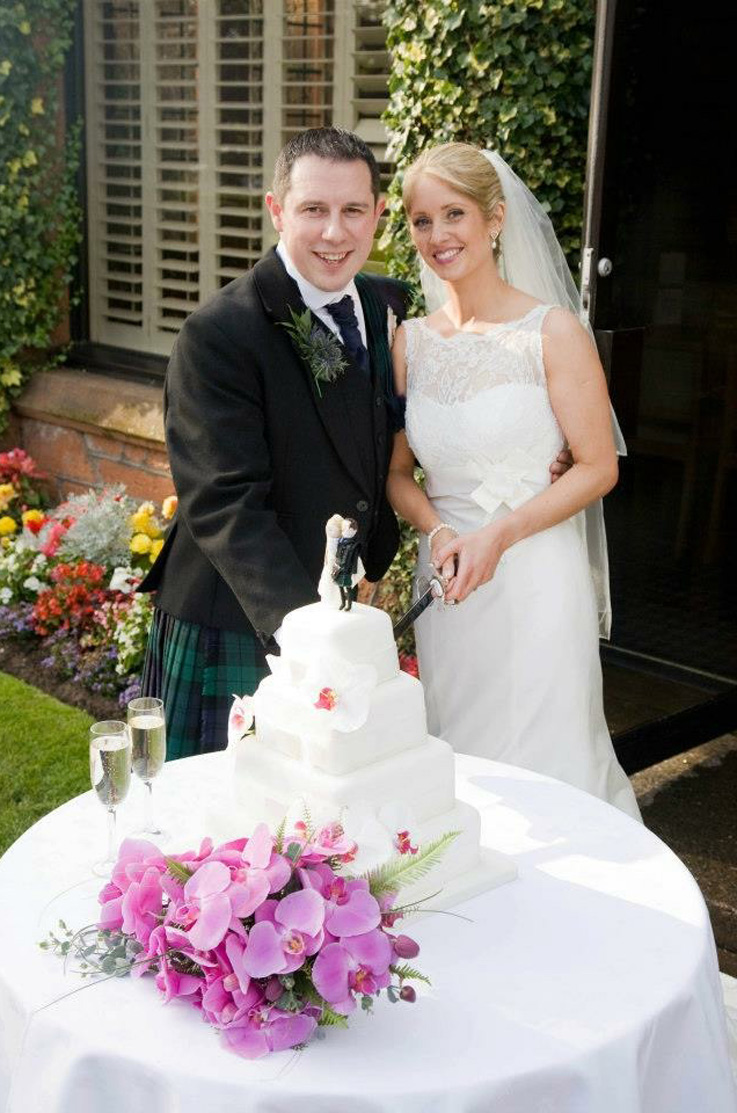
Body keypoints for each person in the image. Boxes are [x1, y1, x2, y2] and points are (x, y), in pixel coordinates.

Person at [386, 142, 641, 821]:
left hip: (535, 575)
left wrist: (499, 532)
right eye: (420, 220)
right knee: (462, 759)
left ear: (494, 220)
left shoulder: (551, 331)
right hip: (449, 581)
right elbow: (396, 473)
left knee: (547, 762)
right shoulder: (410, 342)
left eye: (454, 214)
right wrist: (438, 529)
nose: (438, 236)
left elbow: (597, 465)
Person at [139, 128, 410, 759]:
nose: (335, 234)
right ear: (277, 210)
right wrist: (313, 636)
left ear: (378, 215)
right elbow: (224, 503)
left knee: (329, 819)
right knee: (221, 833)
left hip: (336, 605)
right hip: (245, 614)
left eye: (353, 211)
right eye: (314, 209)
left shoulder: (382, 303)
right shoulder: (219, 333)